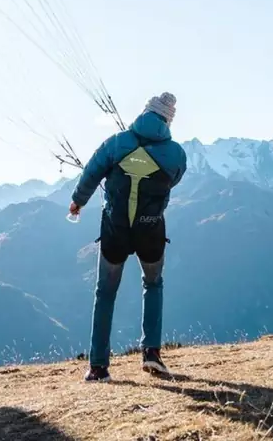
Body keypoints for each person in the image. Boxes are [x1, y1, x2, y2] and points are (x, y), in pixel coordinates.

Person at [69, 91, 189, 381]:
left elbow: (91, 173)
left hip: (115, 230)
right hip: (151, 230)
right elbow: (174, 179)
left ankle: (98, 367)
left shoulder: (115, 143)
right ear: (168, 121)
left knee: (105, 293)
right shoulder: (176, 154)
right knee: (153, 284)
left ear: (144, 113)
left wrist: (78, 201)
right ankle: (152, 354)